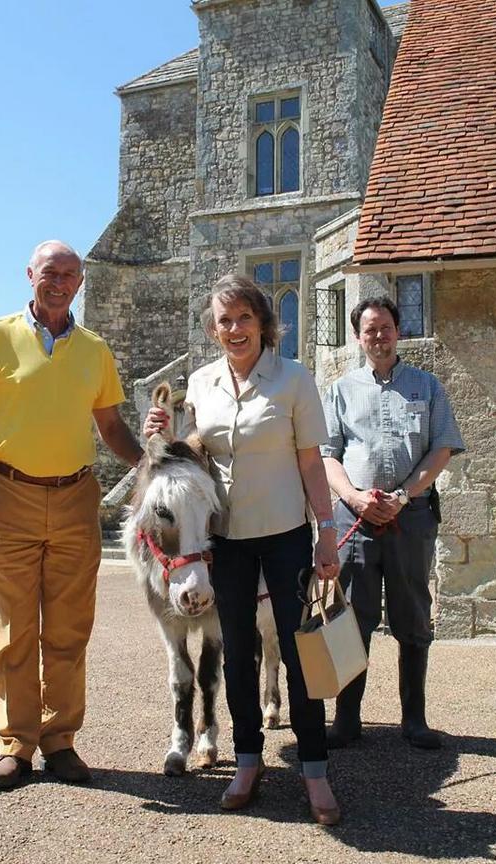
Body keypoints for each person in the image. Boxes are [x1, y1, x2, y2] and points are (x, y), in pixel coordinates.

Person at [145, 274, 341, 825]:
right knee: (235, 655)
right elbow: (190, 455)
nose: (234, 329)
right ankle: (248, 761)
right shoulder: (202, 383)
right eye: (223, 321)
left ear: (263, 323)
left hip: (284, 536)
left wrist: (326, 529)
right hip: (224, 542)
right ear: (213, 329)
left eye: (244, 319)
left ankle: (314, 769)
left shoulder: (294, 379)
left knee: (301, 654)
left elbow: (310, 462)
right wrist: (159, 430)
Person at [0, 240, 142, 791]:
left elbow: (111, 429)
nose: (59, 282)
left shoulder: (94, 350)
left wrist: (156, 464)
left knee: (69, 627)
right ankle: (16, 745)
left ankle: (60, 742)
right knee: (11, 628)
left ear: (81, 283)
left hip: (76, 496)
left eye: (70, 275)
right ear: (29, 275)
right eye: (49, 272)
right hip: (7, 498)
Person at [321, 296, 464, 751]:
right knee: (350, 621)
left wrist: (402, 496)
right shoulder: (340, 391)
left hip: (411, 518)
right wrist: (354, 497)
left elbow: (441, 449)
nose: (378, 337)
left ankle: (415, 720)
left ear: (397, 331)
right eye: (369, 330)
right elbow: (327, 455)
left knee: (413, 616)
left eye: (384, 327)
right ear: (357, 337)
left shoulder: (428, 387)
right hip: (354, 519)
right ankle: (347, 720)